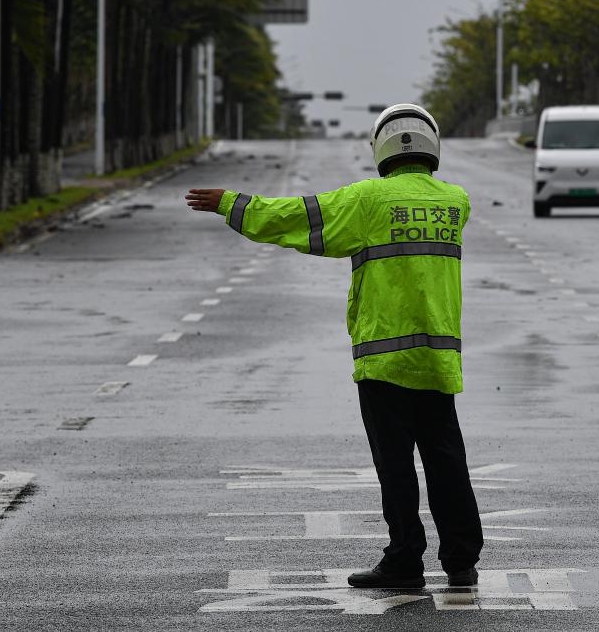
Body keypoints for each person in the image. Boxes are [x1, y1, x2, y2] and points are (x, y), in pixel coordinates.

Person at [185, 103, 483, 589]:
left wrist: (230, 204)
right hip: (438, 358)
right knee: (447, 460)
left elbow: (293, 218)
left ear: (381, 146)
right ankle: (462, 562)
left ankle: (406, 560)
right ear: (432, 144)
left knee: (397, 468)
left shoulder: (368, 200)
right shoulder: (456, 202)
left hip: (385, 360)